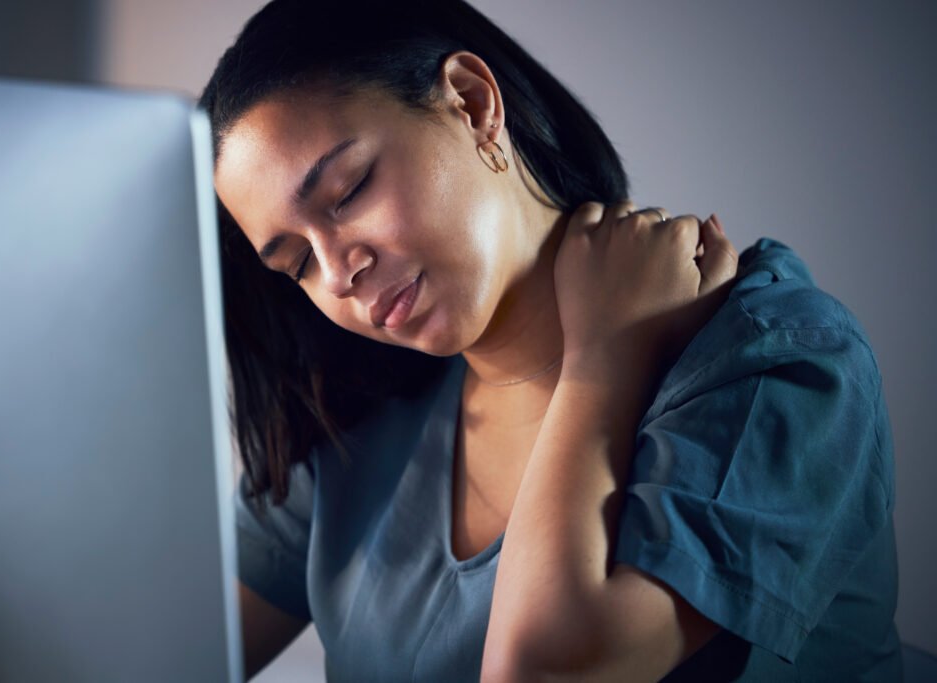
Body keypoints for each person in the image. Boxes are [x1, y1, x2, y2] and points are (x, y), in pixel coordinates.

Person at [198, 0, 902, 680]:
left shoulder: (774, 359)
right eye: (297, 263)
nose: (338, 273)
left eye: (349, 191)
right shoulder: (349, 408)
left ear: (473, 103)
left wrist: (603, 358)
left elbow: (541, 672)